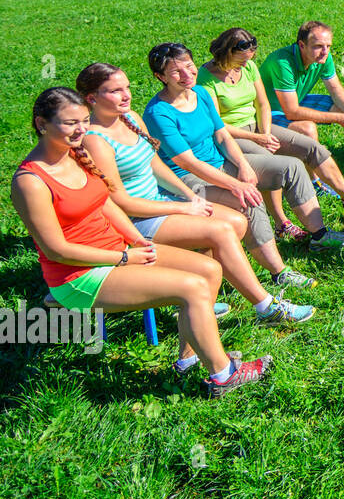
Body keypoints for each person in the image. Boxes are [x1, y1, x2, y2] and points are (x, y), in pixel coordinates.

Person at [11, 87, 270, 397]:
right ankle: (223, 375)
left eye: (83, 120)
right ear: (42, 124)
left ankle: (189, 359)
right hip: (79, 275)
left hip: (117, 250)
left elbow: (105, 203)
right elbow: (57, 250)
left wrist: (136, 240)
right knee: (193, 287)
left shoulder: (76, 155)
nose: (80, 129)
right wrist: (123, 257)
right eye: (70, 123)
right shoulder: (30, 181)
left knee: (210, 270)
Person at [78, 63, 313, 327]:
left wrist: (190, 196)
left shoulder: (130, 117)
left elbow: (155, 165)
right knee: (221, 231)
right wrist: (182, 208)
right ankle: (266, 307)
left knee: (237, 220)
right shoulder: (94, 140)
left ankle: (201, 295)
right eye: (115, 91)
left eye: (127, 88)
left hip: (160, 201)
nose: (126, 95)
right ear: (92, 98)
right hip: (133, 221)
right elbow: (120, 201)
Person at [143, 42, 344, 290]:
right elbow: (187, 162)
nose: (187, 74)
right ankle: (279, 273)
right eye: (176, 72)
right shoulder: (158, 113)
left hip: (220, 164)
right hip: (188, 180)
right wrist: (236, 184)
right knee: (248, 199)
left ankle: (320, 236)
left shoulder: (201, 94)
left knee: (292, 167)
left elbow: (222, 135)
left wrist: (243, 165)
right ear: (160, 76)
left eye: (189, 65)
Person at [197, 28, 344, 236]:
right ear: (226, 53)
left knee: (312, 148)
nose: (246, 64)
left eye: (249, 59)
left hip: (258, 126)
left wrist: (265, 133)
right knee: (273, 163)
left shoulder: (248, 67)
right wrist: (259, 139)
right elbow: (217, 125)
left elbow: (263, 104)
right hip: (231, 135)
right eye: (241, 60)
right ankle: (281, 224)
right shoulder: (205, 78)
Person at [261, 20, 344, 175]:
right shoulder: (282, 63)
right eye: (318, 46)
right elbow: (291, 112)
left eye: (328, 46)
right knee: (307, 129)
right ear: (302, 45)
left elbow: (335, 89)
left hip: (296, 100)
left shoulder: (322, 57)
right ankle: (314, 182)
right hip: (268, 113)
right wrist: (339, 118)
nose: (325, 51)